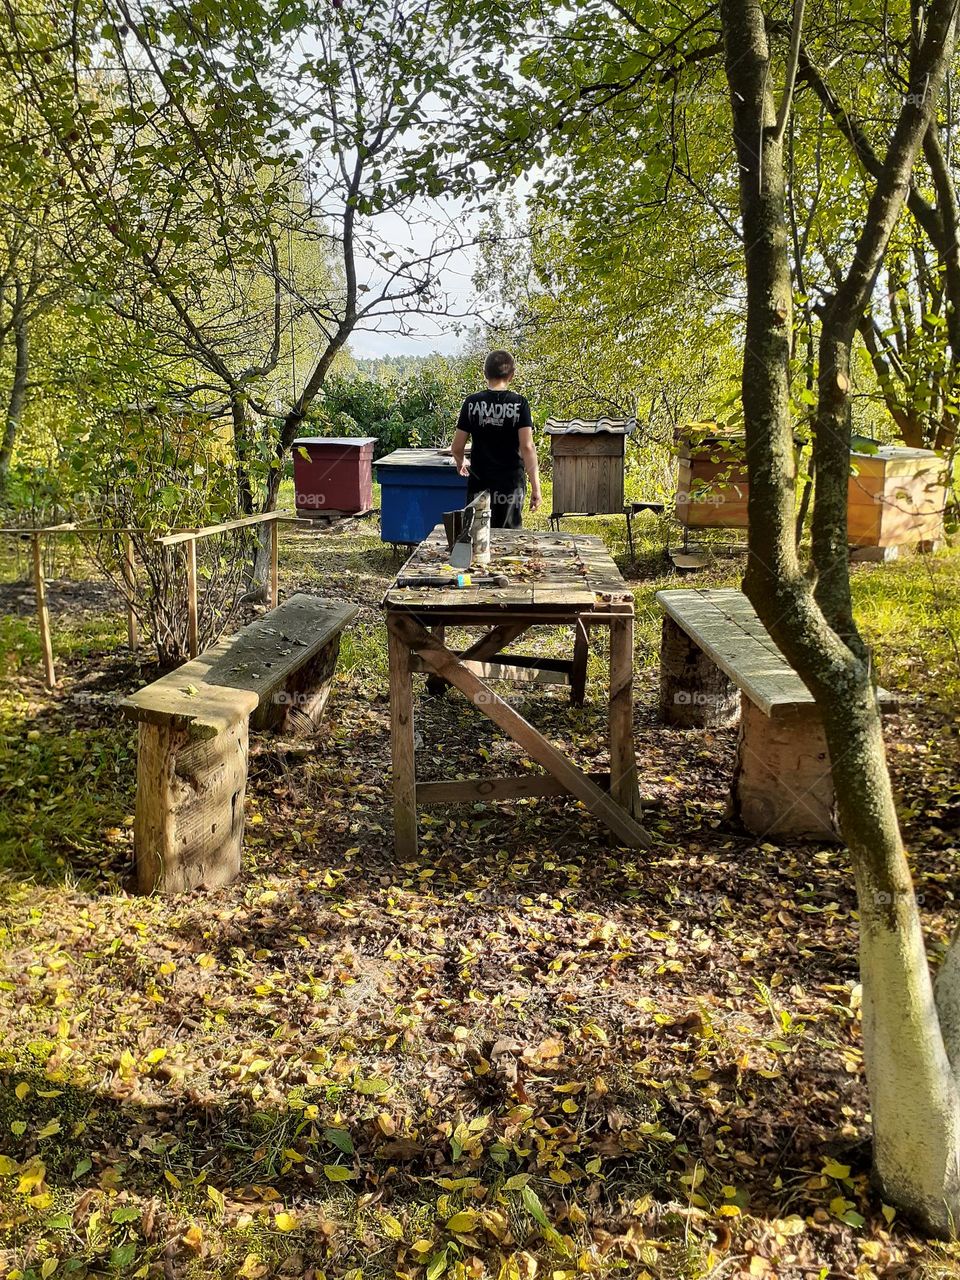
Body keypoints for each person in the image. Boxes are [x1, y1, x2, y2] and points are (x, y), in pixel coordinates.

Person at [451, 350, 542, 528]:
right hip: (511, 485)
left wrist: (460, 461)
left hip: (480, 482)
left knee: (477, 532)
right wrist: (536, 488)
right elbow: (528, 447)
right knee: (509, 536)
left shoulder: (471, 403)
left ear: (485, 373)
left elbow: (457, 447)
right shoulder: (520, 403)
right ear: (512, 375)